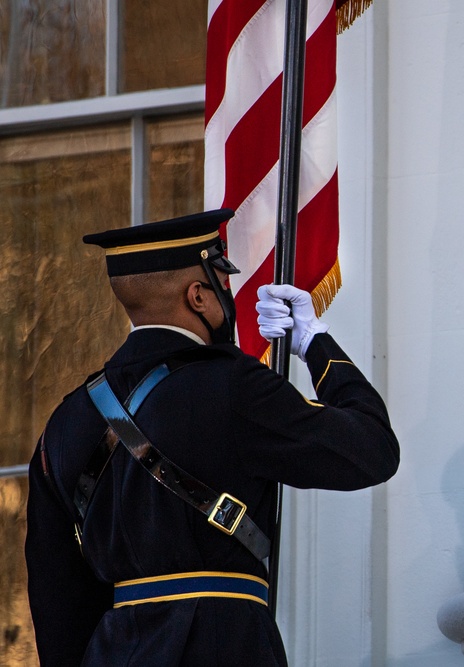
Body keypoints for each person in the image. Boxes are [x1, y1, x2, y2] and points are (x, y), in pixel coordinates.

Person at [24, 208, 399, 666]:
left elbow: (55, 594)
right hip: (225, 644)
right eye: (221, 280)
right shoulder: (232, 386)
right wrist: (314, 341)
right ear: (199, 295)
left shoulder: (64, 421)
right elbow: (372, 449)